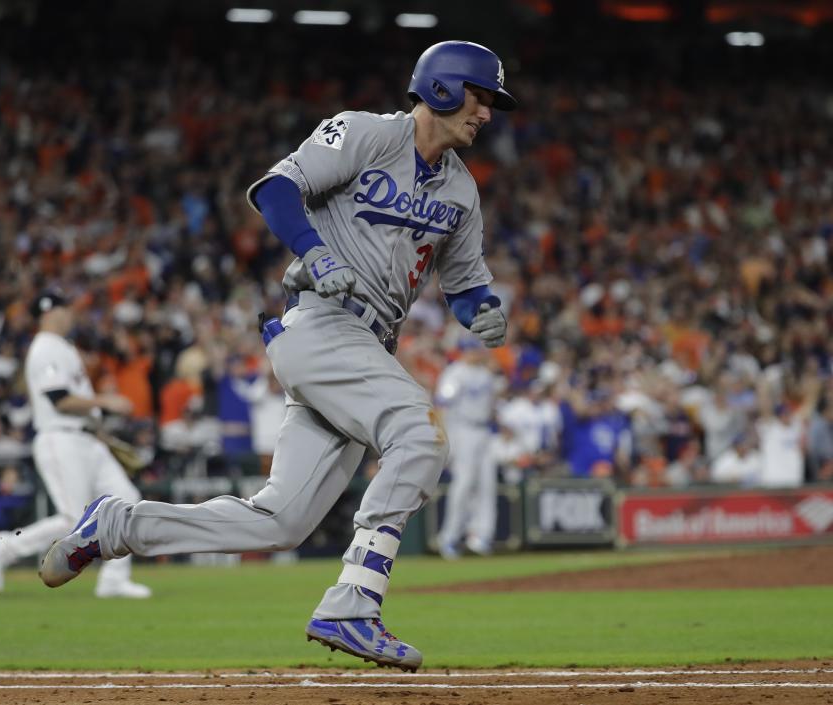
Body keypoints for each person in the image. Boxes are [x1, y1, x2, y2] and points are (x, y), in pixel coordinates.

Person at [39, 41, 514, 671]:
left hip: (366, 346)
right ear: (446, 88)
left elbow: (464, 282)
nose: (488, 113)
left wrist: (481, 307)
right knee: (419, 433)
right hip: (320, 327)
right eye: (482, 97)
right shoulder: (370, 134)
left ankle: (117, 526)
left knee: (280, 521)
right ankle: (354, 602)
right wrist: (315, 251)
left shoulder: (461, 190)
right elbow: (276, 189)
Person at [0, 290, 150, 599]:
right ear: (50, 312)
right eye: (65, 309)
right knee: (74, 520)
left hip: (86, 439)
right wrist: (106, 401)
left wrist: (98, 431)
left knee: (127, 501)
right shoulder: (44, 348)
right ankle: (3, 547)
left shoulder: (63, 347)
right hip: (60, 438)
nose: (70, 314)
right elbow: (59, 400)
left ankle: (114, 580)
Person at [435, 337, 501, 559]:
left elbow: (492, 406)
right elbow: (442, 403)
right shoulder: (455, 373)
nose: (476, 353)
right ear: (463, 351)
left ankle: (481, 536)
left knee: (487, 484)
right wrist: (444, 436)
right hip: (462, 430)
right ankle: (449, 538)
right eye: (472, 350)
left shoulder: (486, 374)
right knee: (463, 484)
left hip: (484, 431)